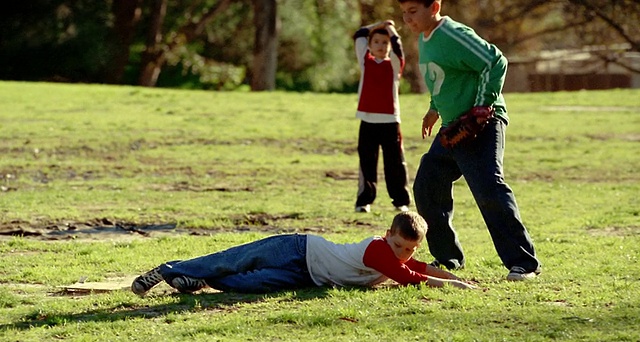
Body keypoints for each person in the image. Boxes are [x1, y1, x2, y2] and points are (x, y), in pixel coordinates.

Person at [397, 0, 541, 280]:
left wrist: (482, 107)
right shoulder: (426, 39)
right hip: (453, 129)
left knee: (488, 189)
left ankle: (524, 263)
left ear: (434, 6)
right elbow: (443, 79)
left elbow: (495, 61)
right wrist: (434, 109)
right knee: (428, 184)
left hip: (480, 125)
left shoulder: (453, 34)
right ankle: (448, 258)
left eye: (413, 11)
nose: (407, 19)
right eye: (404, 12)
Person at [131, 211, 476, 296]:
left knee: (247, 284)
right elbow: (410, 277)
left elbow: (422, 267)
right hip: (298, 248)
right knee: (234, 259)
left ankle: (196, 279)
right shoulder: (378, 250)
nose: (403, 254)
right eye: (399, 245)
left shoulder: (397, 257)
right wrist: (456, 288)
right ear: (388, 236)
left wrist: (459, 279)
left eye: (409, 249)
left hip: (306, 275)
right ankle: (168, 269)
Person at [353, 20, 411, 213]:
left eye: (385, 43)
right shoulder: (365, 61)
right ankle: (364, 201)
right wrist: (380, 24)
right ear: (370, 45)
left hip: (390, 122)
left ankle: (400, 201)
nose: (381, 46)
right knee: (367, 162)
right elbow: (360, 33)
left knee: (394, 163)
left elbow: (398, 47)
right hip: (368, 121)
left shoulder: (395, 65)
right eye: (376, 42)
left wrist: (390, 29)